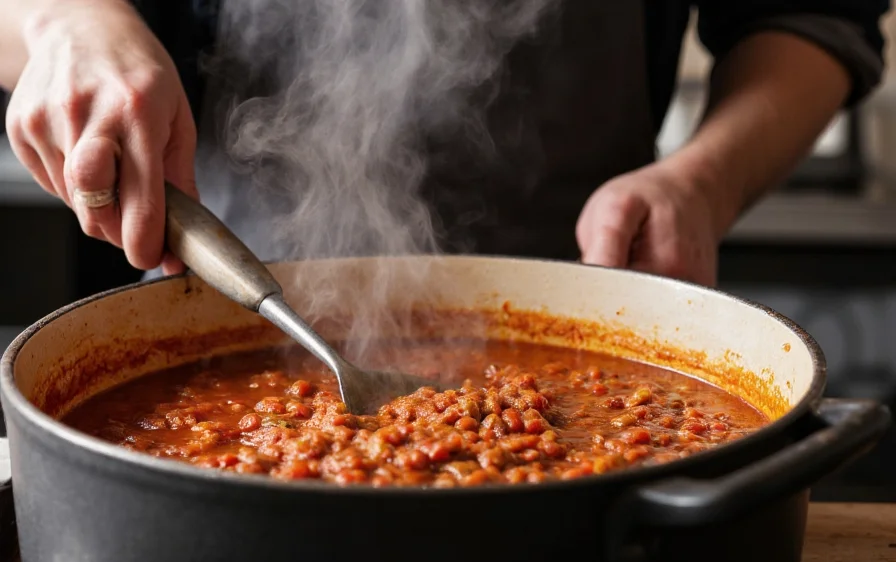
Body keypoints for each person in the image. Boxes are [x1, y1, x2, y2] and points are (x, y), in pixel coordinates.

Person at [0, 1, 889, 287]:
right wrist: (64, 18)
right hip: (218, 296)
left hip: (597, 291)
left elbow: (810, 12)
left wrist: (702, 181)